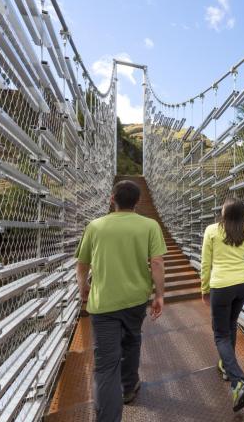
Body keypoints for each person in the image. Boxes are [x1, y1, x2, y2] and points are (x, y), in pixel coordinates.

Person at [75, 180, 166, 422]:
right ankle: (128, 387)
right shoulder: (150, 225)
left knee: (106, 365)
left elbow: (82, 263)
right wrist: (159, 295)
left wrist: (83, 286)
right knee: (132, 340)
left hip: (103, 303)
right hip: (136, 299)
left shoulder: (95, 226)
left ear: (111, 198)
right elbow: (157, 263)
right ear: (137, 202)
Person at [200, 197, 244, 412]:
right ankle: (226, 367)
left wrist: (204, 288)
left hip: (221, 286)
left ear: (223, 213)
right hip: (242, 285)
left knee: (220, 333)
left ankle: (238, 381)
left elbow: (206, 263)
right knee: (231, 326)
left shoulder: (212, 231)